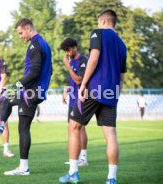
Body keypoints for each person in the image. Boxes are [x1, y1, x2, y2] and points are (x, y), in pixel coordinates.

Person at [59, 9, 127, 184]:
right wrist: (115, 94)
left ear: (103, 22)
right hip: (111, 93)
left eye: (98, 23)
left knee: (73, 127)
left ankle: (73, 173)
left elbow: (94, 58)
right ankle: (111, 178)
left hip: (94, 89)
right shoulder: (121, 44)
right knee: (110, 133)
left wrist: (82, 85)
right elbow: (122, 76)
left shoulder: (98, 33)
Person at [0, 18, 52, 176]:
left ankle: (23, 168)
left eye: (21, 33)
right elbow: (49, 70)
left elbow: (34, 71)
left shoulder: (35, 45)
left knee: (23, 127)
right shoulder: (44, 44)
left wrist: (18, 85)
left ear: (28, 28)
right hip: (35, 91)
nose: (20, 36)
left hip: (31, 92)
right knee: (8, 97)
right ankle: (0, 126)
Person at [60, 38, 88, 167]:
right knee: (70, 128)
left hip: (81, 99)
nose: (66, 53)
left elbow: (78, 81)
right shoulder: (71, 61)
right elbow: (72, 82)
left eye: (67, 50)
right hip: (72, 99)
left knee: (80, 128)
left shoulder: (83, 60)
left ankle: (83, 158)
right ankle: (75, 158)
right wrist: (66, 91)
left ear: (73, 48)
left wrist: (67, 66)